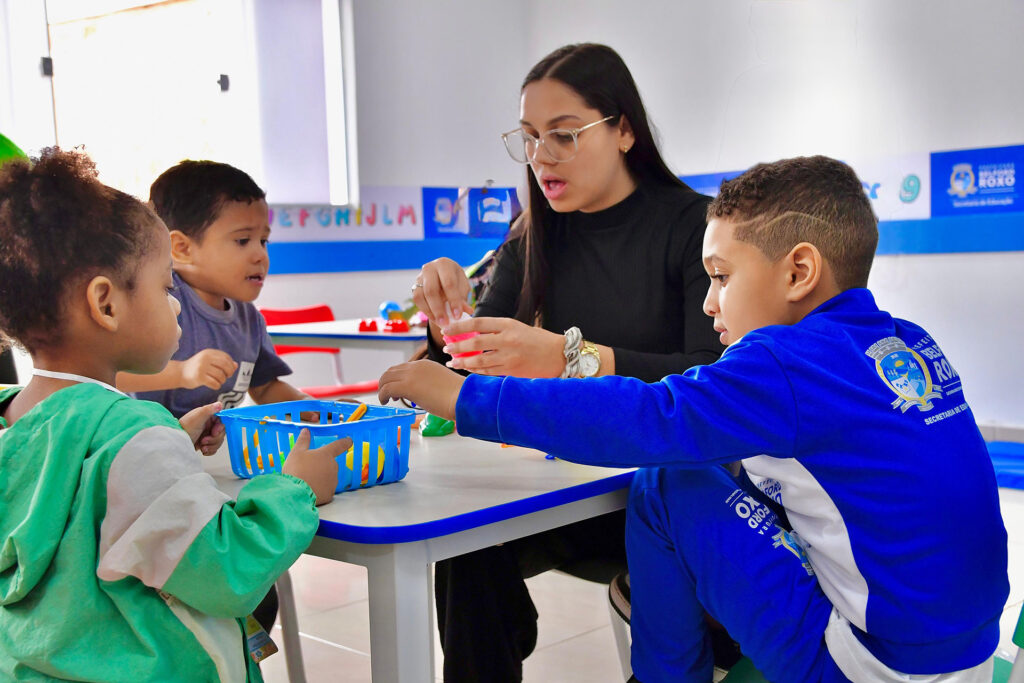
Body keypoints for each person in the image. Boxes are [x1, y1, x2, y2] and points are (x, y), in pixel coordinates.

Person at [380, 155, 1009, 682]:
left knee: (666, 484)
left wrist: (465, 399)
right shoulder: (904, 342)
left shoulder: (785, 361)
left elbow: (653, 416)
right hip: (972, 653)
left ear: (798, 272)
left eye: (721, 277)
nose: (709, 302)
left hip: (876, 666)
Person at [411, 43, 723, 681]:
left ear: (624, 131)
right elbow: (472, 354)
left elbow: (711, 379)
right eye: (527, 138)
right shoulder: (535, 230)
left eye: (563, 135)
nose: (540, 157)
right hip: (558, 479)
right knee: (462, 547)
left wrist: (569, 358)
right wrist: (447, 313)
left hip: (658, 490)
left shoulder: (693, 226)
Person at [0, 148, 349, 680]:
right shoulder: (132, 439)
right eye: (166, 286)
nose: (178, 303)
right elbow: (229, 571)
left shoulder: (17, 419)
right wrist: (294, 489)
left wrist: (170, 441)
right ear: (106, 304)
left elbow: (84, 504)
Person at [117, 160, 308, 419]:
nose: (260, 255)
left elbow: (265, 388)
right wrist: (182, 372)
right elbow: (114, 375)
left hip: (201, 453)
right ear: (182, 249)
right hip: (140, 446)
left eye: (263, 241)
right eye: (242, 240)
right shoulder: (159, 302)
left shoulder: (249, 319)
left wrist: (311, 408)